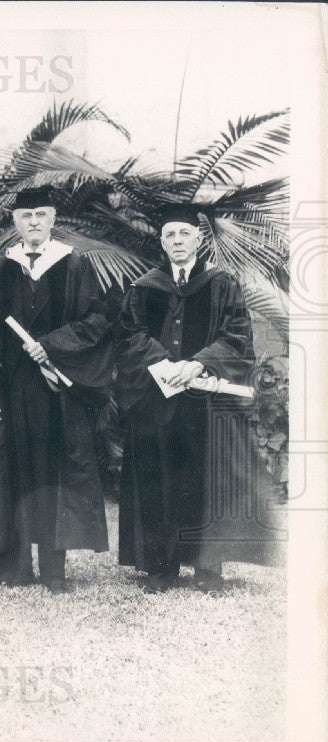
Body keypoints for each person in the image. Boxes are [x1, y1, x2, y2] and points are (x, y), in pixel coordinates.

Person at [115, 204, 280, 593]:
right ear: (161, 241)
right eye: (170, 234)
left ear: (199, 239)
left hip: (206, 403)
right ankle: (161, 568)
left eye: (184, 234)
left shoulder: (222, 284)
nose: (177, 240)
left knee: (205, 480)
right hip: (157, 401)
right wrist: (162, 362)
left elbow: (239, 337)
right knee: (157, 479)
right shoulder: (144, 287)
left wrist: (199, 364)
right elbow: (127, 337)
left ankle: (208, 569)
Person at [0, 185, 113, 593]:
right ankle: (14, 566)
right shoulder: (2, 268)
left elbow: (97, 323)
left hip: (56, 389)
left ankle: (54, 568)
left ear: (53, 220)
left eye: (40, 216)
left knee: (55, 474)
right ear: (15, 222)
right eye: (25, 216)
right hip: (12, 389)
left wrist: (51, 346)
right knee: (12, 473)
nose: (33, 223)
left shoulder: (74, 266)